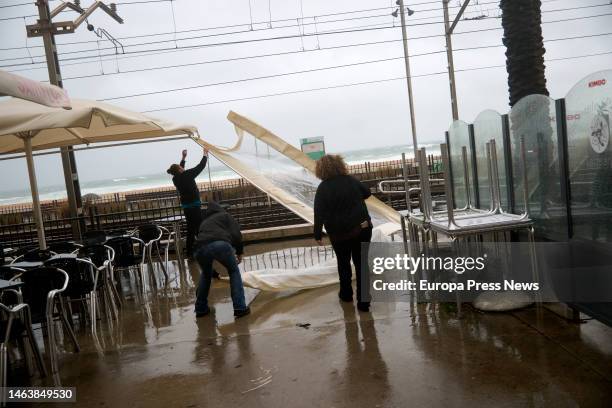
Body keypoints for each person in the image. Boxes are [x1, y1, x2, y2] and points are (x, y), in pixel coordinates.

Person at [313, 154, 373, 312]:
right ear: (340, 165)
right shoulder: (351, 181)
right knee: (361, 263)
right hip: (362, 228)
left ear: (321, 170)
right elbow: (367, 193)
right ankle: (364, 302)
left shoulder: (323, 188)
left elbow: (318, 212)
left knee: (343, 262)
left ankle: (346, 294)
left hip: (339, 234)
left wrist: (318, 234)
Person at [193, 201, 249, 318]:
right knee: (233, 271)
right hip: (219, 244)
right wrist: (239, 252)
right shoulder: (225, 216)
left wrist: (212, 272)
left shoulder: (204, 222)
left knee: (206, 275)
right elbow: (236, 234)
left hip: (198, 249)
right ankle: (240, 307)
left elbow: (205, 245)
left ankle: (200, 309)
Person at [167, 148, 208, 255]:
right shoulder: (187, 175)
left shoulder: (175, 179)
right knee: (199, 228)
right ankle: (204, 249)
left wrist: (184, 158)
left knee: (191, 230)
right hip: (195, 207)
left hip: (186, 208)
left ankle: (190, 252)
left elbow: (180, 170)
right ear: (180, 169)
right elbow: (201, 166)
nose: (182, 167)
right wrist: (205, 154)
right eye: (181, 167)